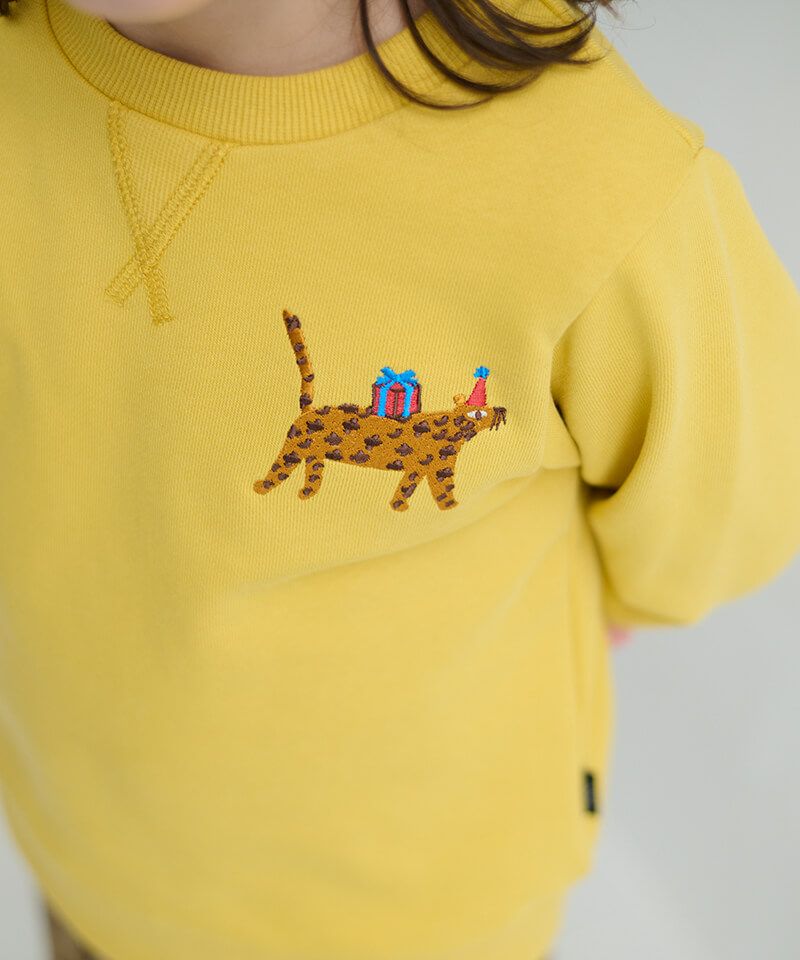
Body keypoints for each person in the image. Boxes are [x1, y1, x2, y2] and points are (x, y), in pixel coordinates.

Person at [0, 0, 797, 958]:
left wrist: (619, 594)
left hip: (420, 921)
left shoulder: (606, 186)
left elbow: (732, 508)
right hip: (92, 870)